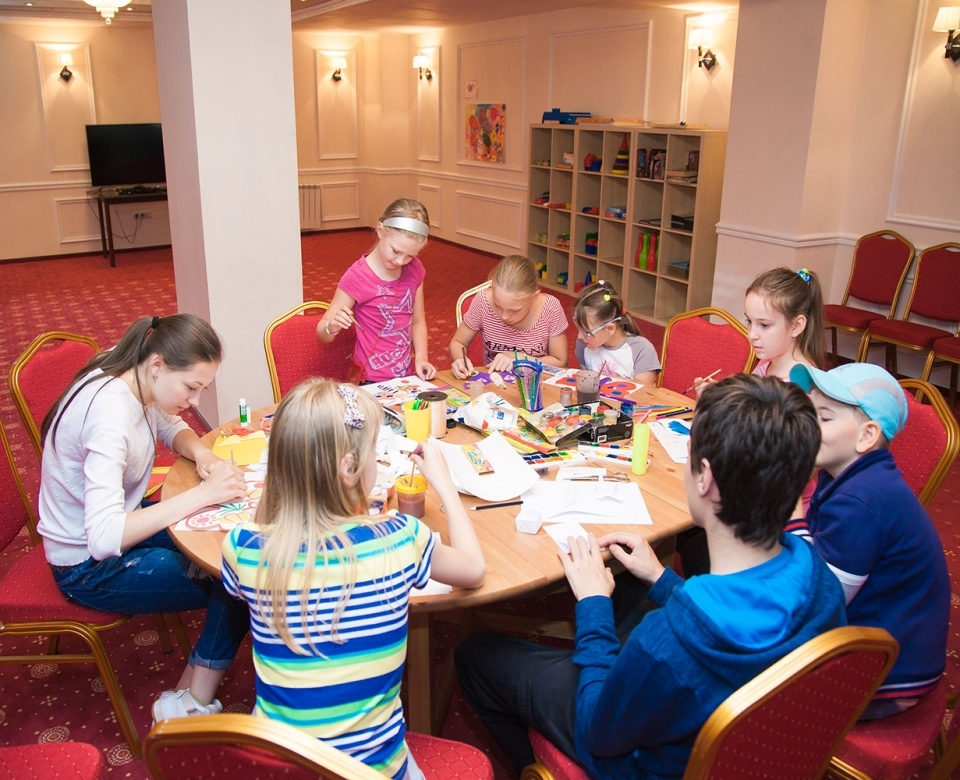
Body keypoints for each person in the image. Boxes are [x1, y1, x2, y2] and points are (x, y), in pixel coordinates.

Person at [455, 374, 846, 780]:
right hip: (739, 740)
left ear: (705, 478)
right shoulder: (820, 578)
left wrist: (592, 605)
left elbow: (597, 729)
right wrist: (661, 578)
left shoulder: (666, 642)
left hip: (637, 761)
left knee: (476, 653)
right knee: (628, 587)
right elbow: (732, 612)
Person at [221, 379, 485, 780]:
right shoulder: (398, 537)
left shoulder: (243, 547)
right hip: (372, 772)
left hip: (280, 770)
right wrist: (445, 486)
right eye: (373, 452)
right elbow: (473, 569)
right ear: (348, 469)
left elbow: (278, 529)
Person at [37, 314, 251, 721]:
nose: (194, 401)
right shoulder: (109, 415)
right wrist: (202, 494)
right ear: (157, 365)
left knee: (227, 536)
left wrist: (203, 455)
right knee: (238, 578)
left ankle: (190, 689)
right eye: (191, 387)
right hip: (87, 565)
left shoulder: (129, 369)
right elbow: (104, 538)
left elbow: (169, 425)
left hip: (123, 523)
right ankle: (192, 699)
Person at [788, 362, 950, 720]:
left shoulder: (861, 501)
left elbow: (819, 602)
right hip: (884, 642)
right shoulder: (851, 476)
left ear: (867, 436)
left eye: (823, 418)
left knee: (739, 667)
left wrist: (790, 513)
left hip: (886, 675)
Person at [317, 198, 437, 383]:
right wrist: (331, 326)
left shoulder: (415, 268)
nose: (400, 261)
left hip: (405, 377)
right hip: (370, 379)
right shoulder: (357, 277)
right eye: (395, 251)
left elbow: (418, 321)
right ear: (380, 231)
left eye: (410, 255)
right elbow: (322, 332)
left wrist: (421, 357)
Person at [695, 266, 824, 394]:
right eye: (749, 321)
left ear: (796, 326)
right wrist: (719, 396)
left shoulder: (800, 388)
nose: (752, 335)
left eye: (764, 325)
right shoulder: (768, 361)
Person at [449, 254, 568, 378]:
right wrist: (460, 360)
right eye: (498, 306)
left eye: (515, 310)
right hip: (494, 382)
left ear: (534, 297)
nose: (505, 316)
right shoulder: (483, 302)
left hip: (533, 383)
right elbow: (458, 342)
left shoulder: (549, 308)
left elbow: (560, 362)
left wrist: (519, 359)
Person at [573, 280, 659, 384]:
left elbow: (643, 392)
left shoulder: (642, 350)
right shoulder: (584, 344)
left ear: (610, 329)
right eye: (578, 327)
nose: (580, 336)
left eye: (587, 332)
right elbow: (586, 385)